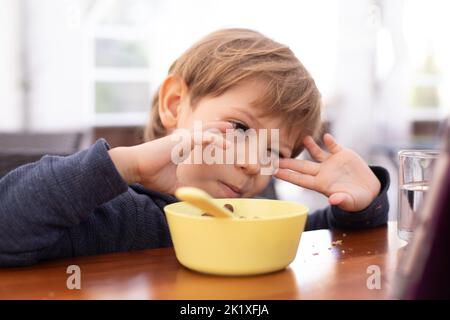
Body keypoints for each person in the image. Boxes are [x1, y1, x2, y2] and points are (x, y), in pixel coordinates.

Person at [0, 28, 389, 267]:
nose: (255, 164)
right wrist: (125, 166)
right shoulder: (118, 212)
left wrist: (361, 205)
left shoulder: (247, 217)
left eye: (274, 153)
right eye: (238, 128)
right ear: (174, 105)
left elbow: (322, 238)